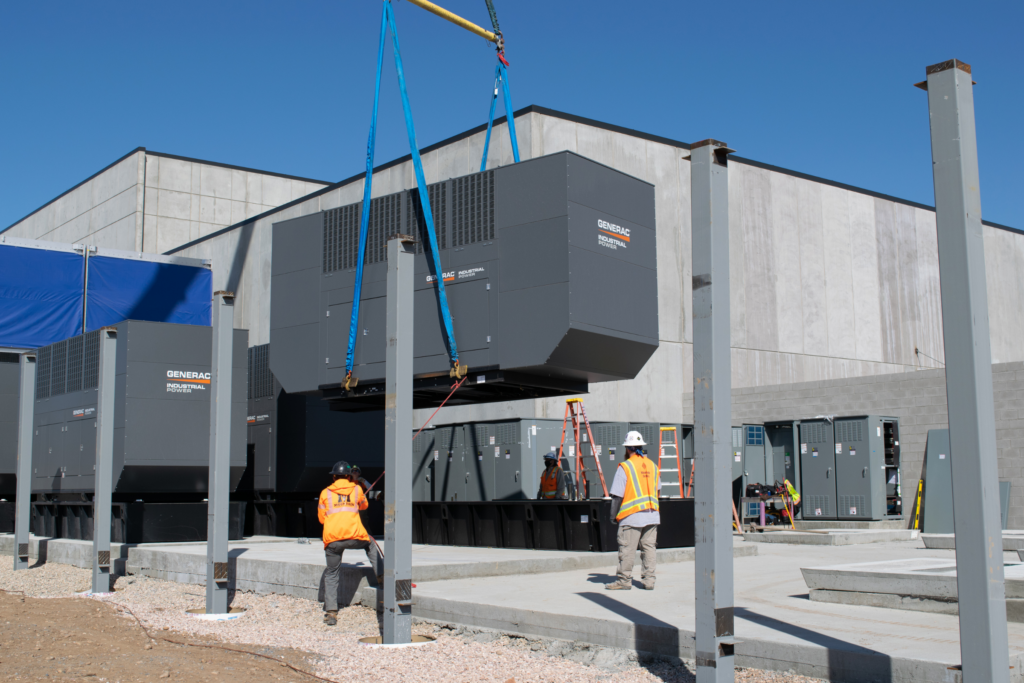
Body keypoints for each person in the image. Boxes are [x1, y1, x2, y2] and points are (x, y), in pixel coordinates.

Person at [318, 460, 382, 626]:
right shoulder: (357, 489)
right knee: (370, 544)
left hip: (333, 540)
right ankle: (382, 576)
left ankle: (331, 612)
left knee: (332, 573)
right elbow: (364, 506)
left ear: (334, 477)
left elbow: (320, 518)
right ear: (348, 476)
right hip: (355, 536)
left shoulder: (325, 492)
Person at [606, 431, 660, 590]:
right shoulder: (653, 465)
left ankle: (624, 581)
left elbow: (617, 495)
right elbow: (658, 492)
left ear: (627, 448)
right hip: (652, 515)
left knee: (627, 549)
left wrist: (613, 516)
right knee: (649, 548)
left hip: (632, 516)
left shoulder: (626, 466)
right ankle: (649, 581)